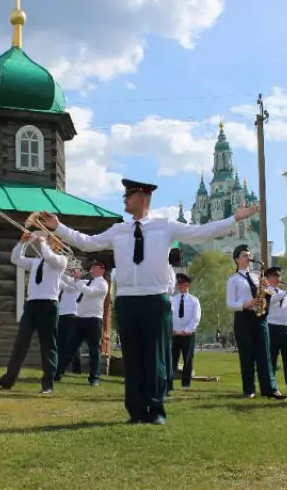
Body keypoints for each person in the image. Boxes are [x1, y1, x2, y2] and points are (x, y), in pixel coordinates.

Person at [38, 178, 258, 425]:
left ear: (143, 198)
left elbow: (201, 233)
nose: (124, 200)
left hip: (155, 298)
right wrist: (58, 227)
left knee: (155, 357)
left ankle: (155, 410)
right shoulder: (118, 230)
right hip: (127, 300)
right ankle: (135, 411)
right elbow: (87, 243)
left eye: (128, 196)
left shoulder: (164, 226)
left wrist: (234, 219)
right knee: (132, 357)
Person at [0, 231, 68, 394]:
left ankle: (48, 384)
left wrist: (43, 243)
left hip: (48, 305)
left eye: (51, 240)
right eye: (47, 239)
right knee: (20, 342)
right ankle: (8, 379)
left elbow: (49, 257)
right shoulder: (35, 262)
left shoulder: (61, 260)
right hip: (31, 304)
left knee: (48, 345)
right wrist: (22, 242)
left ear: (58, 245)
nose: (46, 241)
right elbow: (15, 258)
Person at [227, 245, 287, 400]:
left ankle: (270, 389)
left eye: (249, 254)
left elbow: (269, 296)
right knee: (247, 355)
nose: (248, 257)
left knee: (265, 354)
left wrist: (268, 289)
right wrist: (246, 304)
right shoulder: (233, 280)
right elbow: (230, 303)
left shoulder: (257, 276)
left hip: (260, 317)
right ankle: (249, 390)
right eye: (244, 255)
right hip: (243, 318)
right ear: (236, 259)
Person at [56, 260, 109, 386]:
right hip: (80, 318)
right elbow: (70, 282)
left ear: (102, 270)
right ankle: (57, 374)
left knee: (94, 350)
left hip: (94, 319)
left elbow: (88, 292)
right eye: (92, 267)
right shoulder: (88, 282)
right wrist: (60, 269)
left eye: (95, 267)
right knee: (70, 347)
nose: (92, 269)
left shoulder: (103, 283)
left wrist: (78, 280)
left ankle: (94, 378)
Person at [168, 273, 201, 392]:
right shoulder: (172, 300)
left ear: (187, 284)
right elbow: (169, 316)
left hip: (188, 335)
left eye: (181, 283)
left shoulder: (194, 300)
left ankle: (185, 384)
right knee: (171, 360)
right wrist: (172, 330)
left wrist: (186, 331)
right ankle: (169, 384)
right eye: (178, 283)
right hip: (174, 334)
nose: (179, 285)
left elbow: (196, 318)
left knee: (187, 360)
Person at [55, 266, 83, 379]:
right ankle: (61, 368)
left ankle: (77, 370)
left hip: (72, 315)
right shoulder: (67, 282)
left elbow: (64, 280)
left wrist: (60, 268)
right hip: (62, 315)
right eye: (72, 271)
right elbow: (59, 280)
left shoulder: (80, 283)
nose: (73, 273)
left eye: (76, 271)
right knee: (61, 344)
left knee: (72, 345)